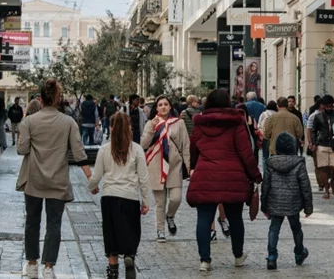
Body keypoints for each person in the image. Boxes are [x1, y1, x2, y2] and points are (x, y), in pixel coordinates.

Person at [17, 79, 91, 279]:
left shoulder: (29, 122)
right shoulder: (68, 123)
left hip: (33, 180)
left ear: (41, 99)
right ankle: (49, 267)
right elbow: (79, 152)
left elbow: (21, 149)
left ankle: (31, 264)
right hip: (58, 181)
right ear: (58, 99)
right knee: (54, 223)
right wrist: (90, 178)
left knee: (32, 222)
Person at [187, 89, 262, 272]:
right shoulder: (236, 123)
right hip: (232, 177)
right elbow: (245, 153)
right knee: (235, 218)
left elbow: (193, 149)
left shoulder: (200, 124)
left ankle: (205, 260)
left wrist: (195, 166)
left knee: (204, 218)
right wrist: (255, 175)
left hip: (205, 175)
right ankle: (238, 255)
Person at [89, 112, 155, 279]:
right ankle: (129, 255)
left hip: (109, 197)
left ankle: (112, 271)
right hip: (130, 197)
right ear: (130, 128)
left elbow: (96, 176)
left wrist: (92, 187)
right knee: (130, 230)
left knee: (110, 233)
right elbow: (143, 178)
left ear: (111, 128)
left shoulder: (104, 150)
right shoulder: (137, 149)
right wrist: (145, 201)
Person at [141, 96, 191, 243]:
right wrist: (151, 129)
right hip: (156, 167)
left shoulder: (179, 123)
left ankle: (170, 216)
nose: (163, 107)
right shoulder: (151, 123)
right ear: (156, 108)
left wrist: (189, 167)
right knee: (160, 203)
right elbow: (143, 144)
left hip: (174, 167)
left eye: (166, 104)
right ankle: (160, 230)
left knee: (176, 198)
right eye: (160, 105)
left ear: (170, 107)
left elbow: (185, 145)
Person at [261, 133, 313, 270]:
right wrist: (308, 207)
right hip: (293, 203)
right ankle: (299, 252)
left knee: (274, 229)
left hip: (275, 202)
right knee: (296, 228)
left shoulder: (270, 163)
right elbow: (305, 186)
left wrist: (264, 206)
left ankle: (272, 256)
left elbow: (265, 186)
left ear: (277, 148)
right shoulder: (299, 163)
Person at [309, 95, 334, 199]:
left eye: (331, 106)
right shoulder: (318, 116)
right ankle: (326, 190)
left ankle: (332, 182)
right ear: (323, 106)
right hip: (322, 144)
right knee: (323, 169)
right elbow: (313, 130)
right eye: (327, 106)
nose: (329, 108)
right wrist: (313, 143)